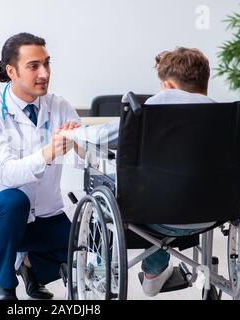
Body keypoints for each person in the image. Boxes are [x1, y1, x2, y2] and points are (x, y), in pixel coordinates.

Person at [59, 47, 216, 297]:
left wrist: (72, 132)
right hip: (215, 211)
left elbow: (102, 137)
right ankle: (154, 274)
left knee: (105, 185)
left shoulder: (156, 107)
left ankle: (99, 263)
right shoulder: (224, 113)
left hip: (157, 212)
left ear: (168, 85)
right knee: (171, 185)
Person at [0, 32, 82, 300]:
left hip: (46, 215)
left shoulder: (59, 106)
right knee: (14, 202)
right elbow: (7, 173)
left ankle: (31, 267)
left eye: (47, 63)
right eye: (33, 66)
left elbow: (88, 156)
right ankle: (4, 285)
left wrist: (80, 142)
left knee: (91, 238)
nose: (44, 73)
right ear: (11, 71)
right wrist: (49, 152)